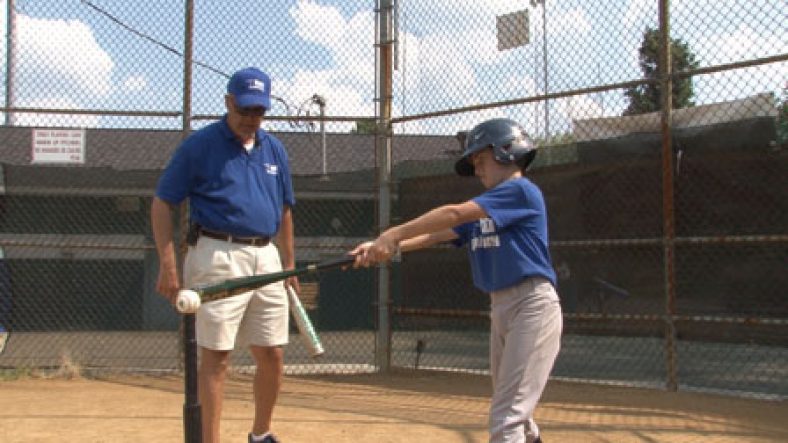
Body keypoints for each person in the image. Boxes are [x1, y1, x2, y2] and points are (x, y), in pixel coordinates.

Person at [352, 118, 562, 443]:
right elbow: (436, 235)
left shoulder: (519, 191)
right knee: (516, 413)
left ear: (506, 151)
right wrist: (385, 248)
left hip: (532, 306)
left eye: (481, 160)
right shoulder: (489, 210)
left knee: (507, 418)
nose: (477, 169)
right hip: (503, 308)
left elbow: (453, 214)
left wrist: (392, 233)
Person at [151, 67, 296, 443]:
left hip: (266, 257)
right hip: (217, 253)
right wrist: (168, 265)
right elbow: (163, 202)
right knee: (217, 356)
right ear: (228, 102)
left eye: (259, 112)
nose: (251, 119)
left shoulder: (274, 148)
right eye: (245, 110)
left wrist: (289, 264)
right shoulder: (200, 145)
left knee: (272, 353)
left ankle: (261, 434)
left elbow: (284, 210)